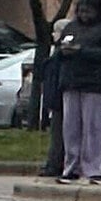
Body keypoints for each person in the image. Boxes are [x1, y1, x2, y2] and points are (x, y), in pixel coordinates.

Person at [57, 0, 101, 186]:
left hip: (95, 84)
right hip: (71, 82)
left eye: (88, 11)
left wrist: (81, 51)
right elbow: (60, 48)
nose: (84, 15)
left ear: (98, 11)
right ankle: (71, 168)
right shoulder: (71, 27)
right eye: (81, 11)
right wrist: (64, 50)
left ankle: (95, 170)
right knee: (71, 128)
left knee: (93, 128)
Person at [38, 18, 70, 177]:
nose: (53, 34)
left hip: (59, 98)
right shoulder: (57, 52)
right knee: (57, 133)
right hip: (56, 98)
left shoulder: (61, 54)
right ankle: (55, 162)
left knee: (59, 134)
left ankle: (55, 164)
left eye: (56, 31)